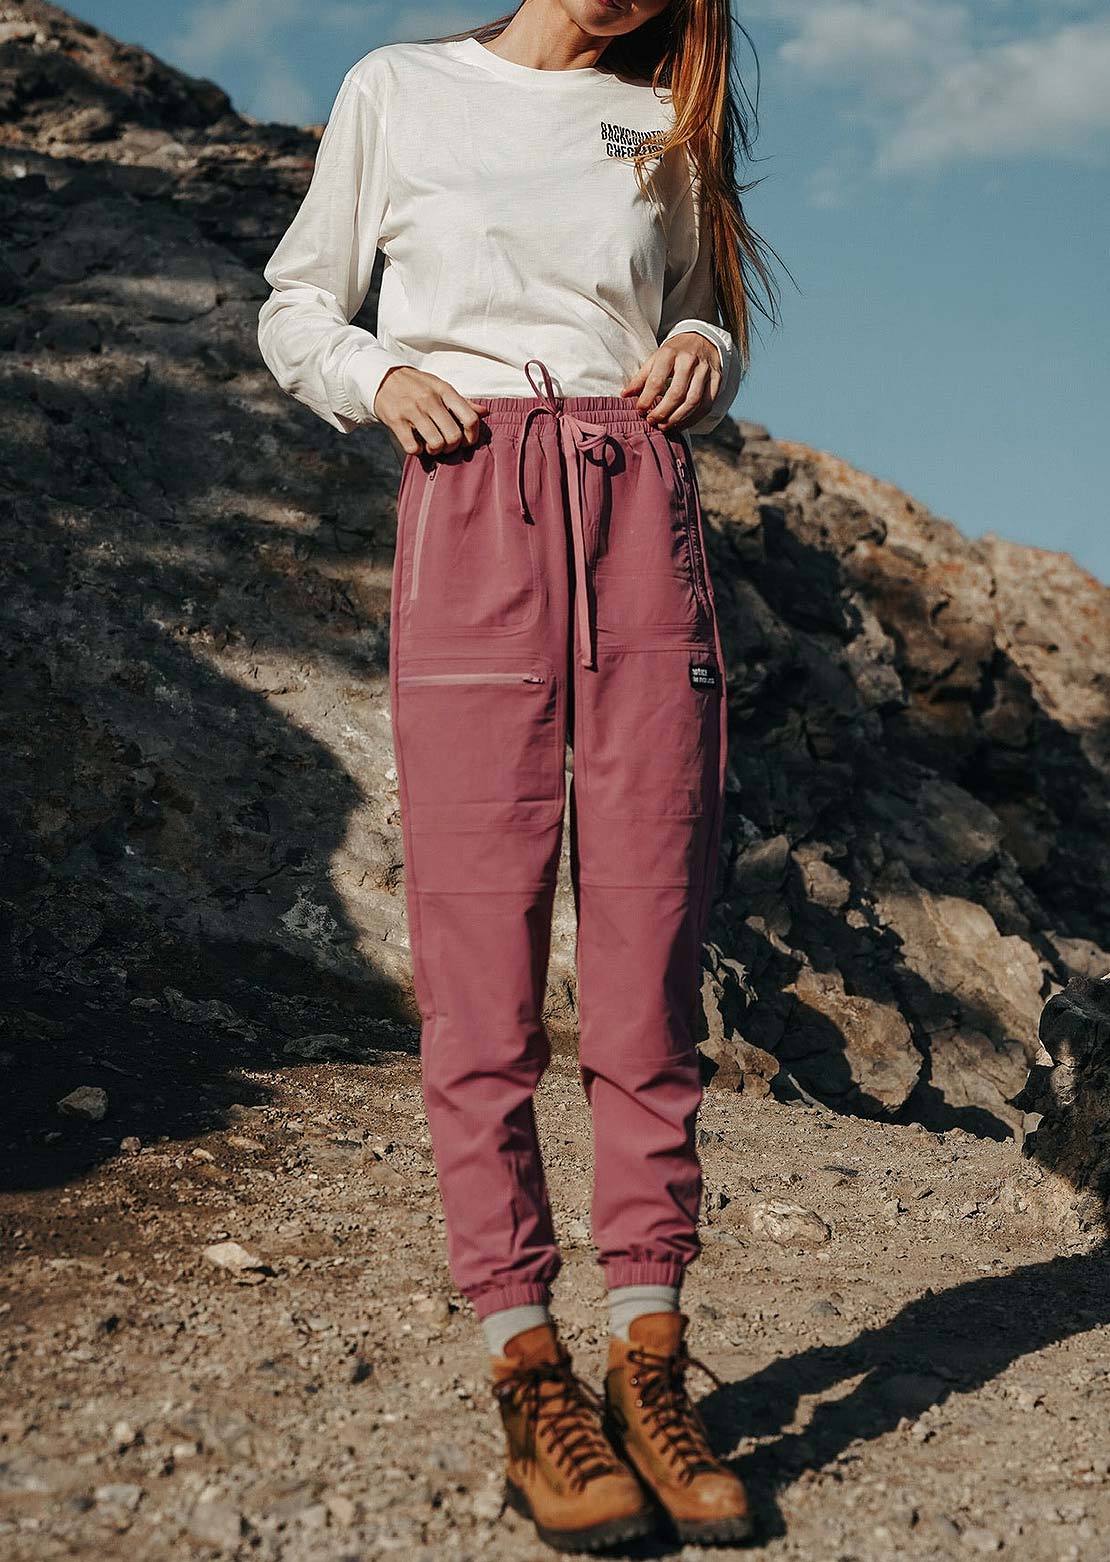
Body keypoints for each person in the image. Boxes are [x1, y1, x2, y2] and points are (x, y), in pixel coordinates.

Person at [257, 1, 779, 1551]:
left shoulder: (661, 116)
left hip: (640, 513)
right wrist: (375, 377)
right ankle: (526, 1364)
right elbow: (296, 302)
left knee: (647, 960)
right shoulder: (399, 90)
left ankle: (648, 1354)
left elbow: (697, 315)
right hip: (471, 497)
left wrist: (700, 347)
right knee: (479, 968)